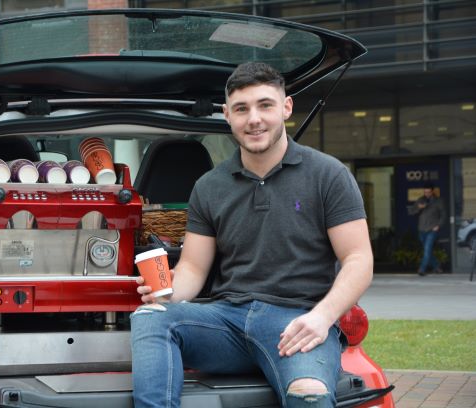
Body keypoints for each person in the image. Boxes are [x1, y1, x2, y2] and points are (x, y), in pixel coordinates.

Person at [130, 62, 373, 408]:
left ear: (286, 107)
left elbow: (359, 259)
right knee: (151, 319)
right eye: (242, 109)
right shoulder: (209, 186)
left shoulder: (328, 174)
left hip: (297, 321)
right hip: (226, 323)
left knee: (310, 394)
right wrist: (166, 293)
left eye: (265, 105)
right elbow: (195, 269)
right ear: (227, 115)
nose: (254, 119)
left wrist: (322, 317)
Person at [408, 183, 445, 276]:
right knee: (427, 250)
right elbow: (411, 211)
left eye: (428, 192)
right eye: (425, 192)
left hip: (432, 229)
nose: (427, 193)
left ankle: (422, 269)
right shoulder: (421, 200)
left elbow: (443, 215)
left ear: (432, 191)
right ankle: (437, 266)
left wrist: (438, 225)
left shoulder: (438, 201)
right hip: (422, 229)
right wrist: (418, 208)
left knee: (427, 249)